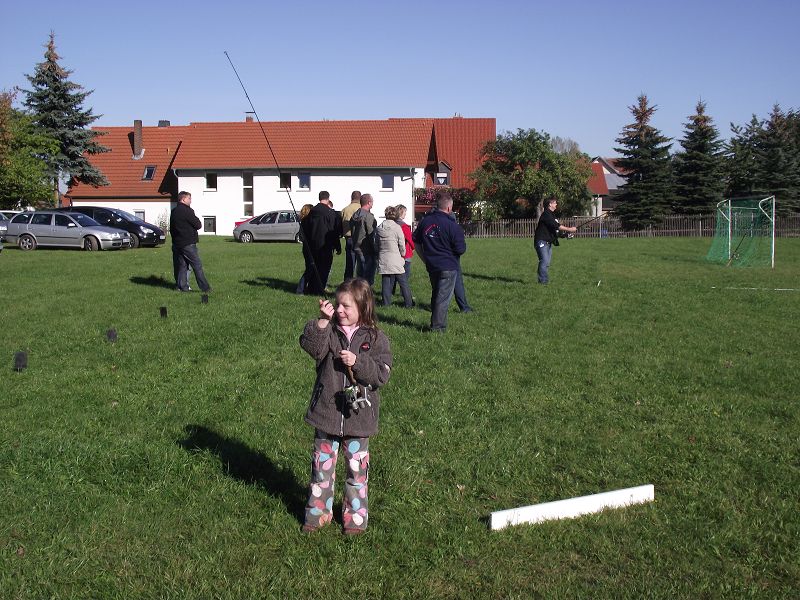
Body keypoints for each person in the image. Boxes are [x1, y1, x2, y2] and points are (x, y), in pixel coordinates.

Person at [299, 278, 393, 535]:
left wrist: (358, 362)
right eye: (337, 304)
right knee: (322, 468)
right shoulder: (329, 332)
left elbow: (382, 374)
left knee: (357, 472)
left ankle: (355, 518)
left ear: (363, 308)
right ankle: (317, 514)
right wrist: (321, 321)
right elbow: (311, 347)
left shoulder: (375, 339)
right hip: (326, 414)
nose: (339, 310)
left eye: (346, 306)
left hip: (358, 418)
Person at [412, 192, 466, 332]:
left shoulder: (425, 222)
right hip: (448, 265)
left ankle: (435, 323)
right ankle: (437, 327)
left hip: (431, 264)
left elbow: (416, 242)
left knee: (437, 294)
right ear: (449, 208)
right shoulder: (452, 226)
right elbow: (460, 249)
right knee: (442, 299)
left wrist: (424, 258)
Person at [170, 191, 211, 293]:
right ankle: (205, 287)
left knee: (182, 266)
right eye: (189, 199)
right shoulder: (187, 211)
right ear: (183, 199)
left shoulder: (174, 211)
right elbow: (198, 225)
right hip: (188, 243)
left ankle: (182, 286)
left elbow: (172, 228)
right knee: (197, 265)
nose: (190, 201)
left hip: (177, 243)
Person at [301, 191, 342, 294]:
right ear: (328, 198)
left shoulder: (311, 212)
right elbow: (334, 231)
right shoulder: (330, 213)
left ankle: (311, 288)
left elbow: (306, 229)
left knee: (314, 267)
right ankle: (319, 289)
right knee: (324, 269)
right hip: (326, 245)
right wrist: (337, 246)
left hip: (312, 245)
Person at [375, 206, 412, 307]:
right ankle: (409, 303)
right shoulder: (397, 228)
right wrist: (403, 254)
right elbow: (401, 244)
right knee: (403, 282)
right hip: (396, 258)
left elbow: (377, 245)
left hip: (384, 258)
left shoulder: (379, 228)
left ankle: (386, 303)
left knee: (386, 281)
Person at [533, 196, 576, 285]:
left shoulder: (552, 215)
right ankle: (543, 282)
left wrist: (565, 235)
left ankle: (543, 282)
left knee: (547, 263)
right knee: (544, 261)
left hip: (548, 243)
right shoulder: (546, 215)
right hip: (542, 242)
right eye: (555, 203)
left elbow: (555, 230)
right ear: (550, 204)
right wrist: (570, 229)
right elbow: (557, 226)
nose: (556, 204)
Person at [350, 193, 376, 285]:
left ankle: (358, 294)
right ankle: (365, 296)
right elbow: (371, 234)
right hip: (367, 249)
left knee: (360, 274)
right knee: (367, 277)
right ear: (369, 202)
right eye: (372, 202)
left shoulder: (355, 215)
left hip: (357, 246)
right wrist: (375, 248)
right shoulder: (368, 217)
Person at [393, 204, 415, 303]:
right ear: (401, 213)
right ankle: (404, 293)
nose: (406, 214)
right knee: (405, 275)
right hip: (405, 253)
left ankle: (391, 291)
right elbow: (410, 239)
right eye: (405, 212)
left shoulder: (393, 224)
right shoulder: (404, 226)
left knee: (393, 275)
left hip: (395, 253)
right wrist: (413, 247)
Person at [341, 191, 362, 280]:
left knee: (349, 263)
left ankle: (347, 282)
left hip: (348, 238)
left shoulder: (345, 209)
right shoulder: (362, 209)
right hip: (360, 239)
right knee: (361, 263)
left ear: (351, 197)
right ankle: (360, 283)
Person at [295, 203, 314, 294]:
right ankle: (300, 289)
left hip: (305, 248)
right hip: (310, 248)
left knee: (309, 268)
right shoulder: (309, 221)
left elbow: (301, 237)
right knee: (310, 269)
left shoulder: (303, 221)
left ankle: (307, 287)